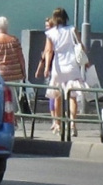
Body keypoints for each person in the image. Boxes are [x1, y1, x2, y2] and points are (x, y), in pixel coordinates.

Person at [35, 7, 85, 135]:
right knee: (72, 96)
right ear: (65, 17)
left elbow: (49, 51)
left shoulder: (50, 33)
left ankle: (57, 124)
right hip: (72, 65)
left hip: (58, 67)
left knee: (57, 96)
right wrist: (86, 59)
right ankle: (73, 124)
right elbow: (80, 45)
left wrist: (46, 68)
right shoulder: (72, 29)